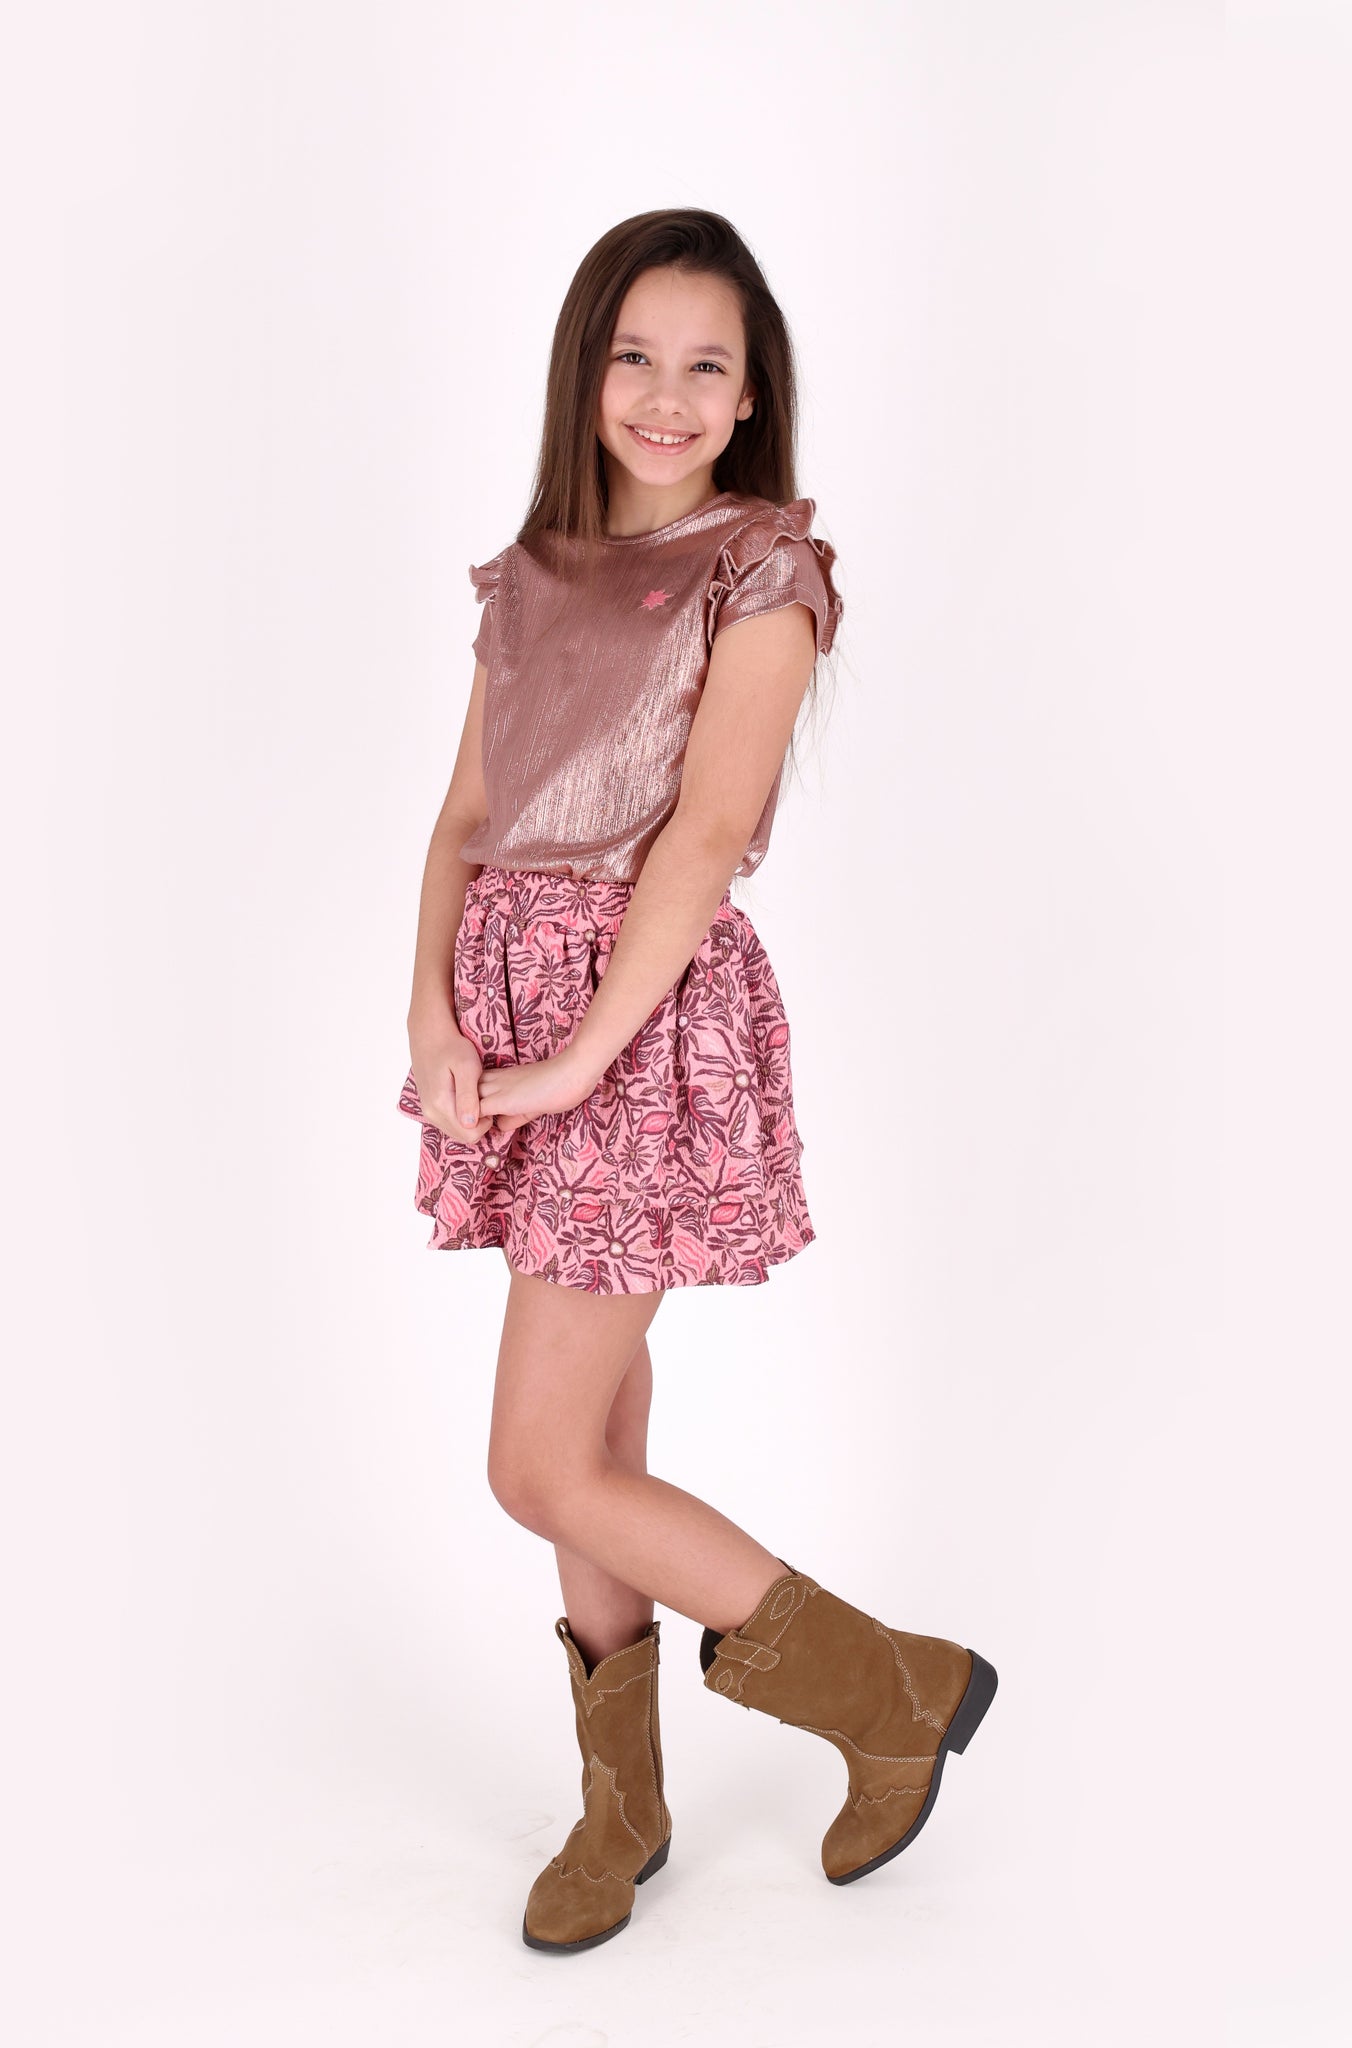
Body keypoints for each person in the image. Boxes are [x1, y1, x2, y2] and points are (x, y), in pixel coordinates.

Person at [396, 209, 997, 1954]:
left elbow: (708, 832)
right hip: (517, 1018)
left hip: (641, 1031)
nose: (666, 394)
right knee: (595, 1433)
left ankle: (896, 1689)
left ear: (749, 398)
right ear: (586, 374)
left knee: (534, 1464)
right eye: (634, 356)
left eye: (705, 365)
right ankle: (624, 1803)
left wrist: (581, 1058)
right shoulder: (532, 575)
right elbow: (464, 817)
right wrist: (433, 1016)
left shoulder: (762, 573)